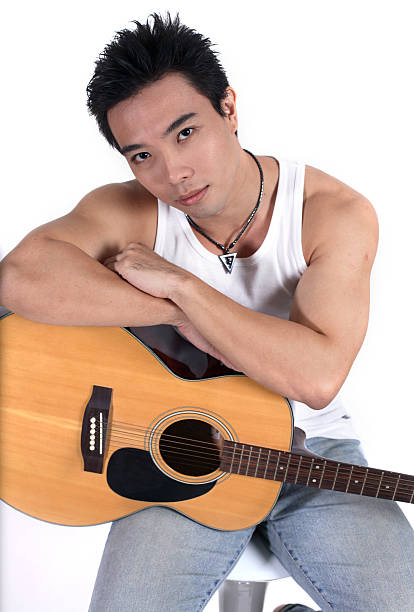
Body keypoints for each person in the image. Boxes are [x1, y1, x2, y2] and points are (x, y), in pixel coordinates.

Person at [0, 12, 413, 612]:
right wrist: (169, 310)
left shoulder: (331, 213)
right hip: (175, 453)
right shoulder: (130, 210)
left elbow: (315, 379)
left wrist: (187, 293)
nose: (172, 173)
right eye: (141, 154)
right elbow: (19, 278)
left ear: (229, 108)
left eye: (185, 133)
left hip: (313, 451)